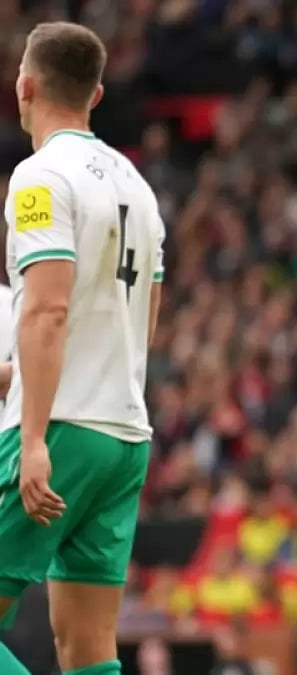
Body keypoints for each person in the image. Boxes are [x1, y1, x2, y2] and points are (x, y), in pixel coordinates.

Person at [0, 21, 165, 675]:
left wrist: (34, 436)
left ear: (25, 86)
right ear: (95, 95)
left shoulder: (39, 179)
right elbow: (140, 321)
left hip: (60, 430)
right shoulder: (139, 189)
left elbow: (48, 306)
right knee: (89, 647)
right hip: (124, 435)